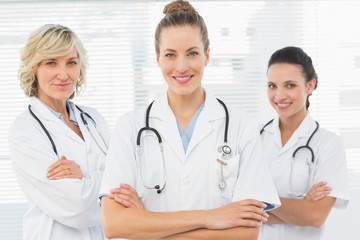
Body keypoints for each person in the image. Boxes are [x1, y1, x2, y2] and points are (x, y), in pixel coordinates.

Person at [99, 1, 280, 239]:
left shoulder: (240, 125)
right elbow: (114, 224)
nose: (181, 67)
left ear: (206, 55)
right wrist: (212, 217)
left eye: (192, 53)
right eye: (170, 55)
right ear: (157, 59)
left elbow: (246, 232)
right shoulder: (130, 127)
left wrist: (146, 226)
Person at [8, 24, 111, 240]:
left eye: (71, 63)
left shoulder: (94, 119)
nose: (63, 74)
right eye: (51, 63)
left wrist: (83, 176)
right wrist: (108, 186)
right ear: (33, 68)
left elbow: (131, 183)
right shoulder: (25, 130)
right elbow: (78, 207)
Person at [259, 46, 349, 240]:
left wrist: (257, 201)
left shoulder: (328, 145)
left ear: (310, 86)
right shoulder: (254, 138)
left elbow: (315, 216)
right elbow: (232, 206)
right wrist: (300, 208)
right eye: (272, 85)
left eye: (290, 85)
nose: (279, 95)